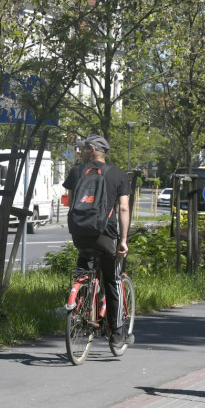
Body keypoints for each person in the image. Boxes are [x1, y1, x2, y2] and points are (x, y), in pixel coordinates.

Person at [62, 134, 131, 346]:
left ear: (93, 150)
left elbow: (71, 204)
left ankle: (80, 307)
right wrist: (123, 240)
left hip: (80, 235)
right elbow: (123, 208)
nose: (81, 152)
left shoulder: (76, 172)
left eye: (84, 148)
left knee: (83, 269)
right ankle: (117, 333)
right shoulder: (118, 174)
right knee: (112, 280)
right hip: (105, 235)